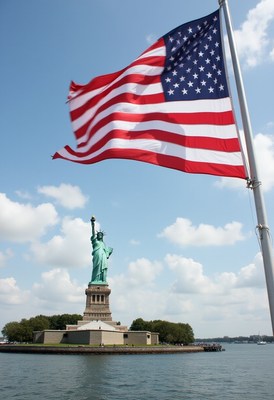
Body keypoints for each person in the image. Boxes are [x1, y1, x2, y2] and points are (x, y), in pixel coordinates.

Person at [90, 216, 113, 284]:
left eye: (101, 234)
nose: (100, 235)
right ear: (97, 236)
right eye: (99, 234)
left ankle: (102, 280)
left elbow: (107, 253)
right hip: (97, 255)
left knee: (103, 268)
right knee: (96, 268)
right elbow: (93, 233)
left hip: (103, 257)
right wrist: (93, 224)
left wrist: (108, 251)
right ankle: (95, 280)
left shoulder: (103, 244)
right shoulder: (95, 242)